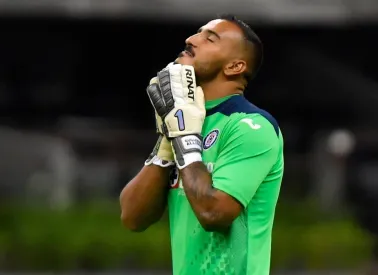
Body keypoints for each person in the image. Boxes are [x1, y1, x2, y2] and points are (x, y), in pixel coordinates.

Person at [120, 14, 284, 275]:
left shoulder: (251, 127)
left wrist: (183, 137)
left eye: (210, 39)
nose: (191, 39)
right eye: (197, 33)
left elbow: (214, 214)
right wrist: (168, 139)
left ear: (235, 67)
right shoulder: (186, 119)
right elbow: (132, 217)